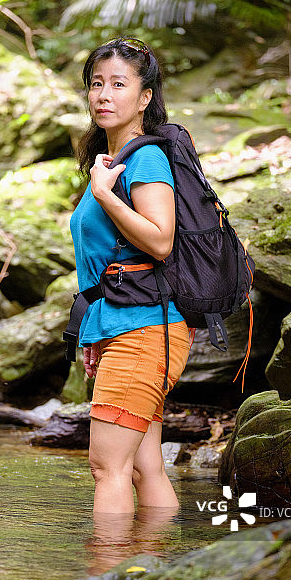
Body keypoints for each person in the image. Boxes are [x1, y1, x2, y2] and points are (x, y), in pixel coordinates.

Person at [70, 37, 191, 514]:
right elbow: (111, 265)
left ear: (144, 99)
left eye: (119, 84)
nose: (104, 94)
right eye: (96, 84)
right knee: (143, 467)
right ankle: (156, 578)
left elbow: (160, 239)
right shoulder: (112, 161)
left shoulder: (145, 159)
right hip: (131, 326)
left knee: (108, 469)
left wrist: (105, 195)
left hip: (145, 331)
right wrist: (94, 335)